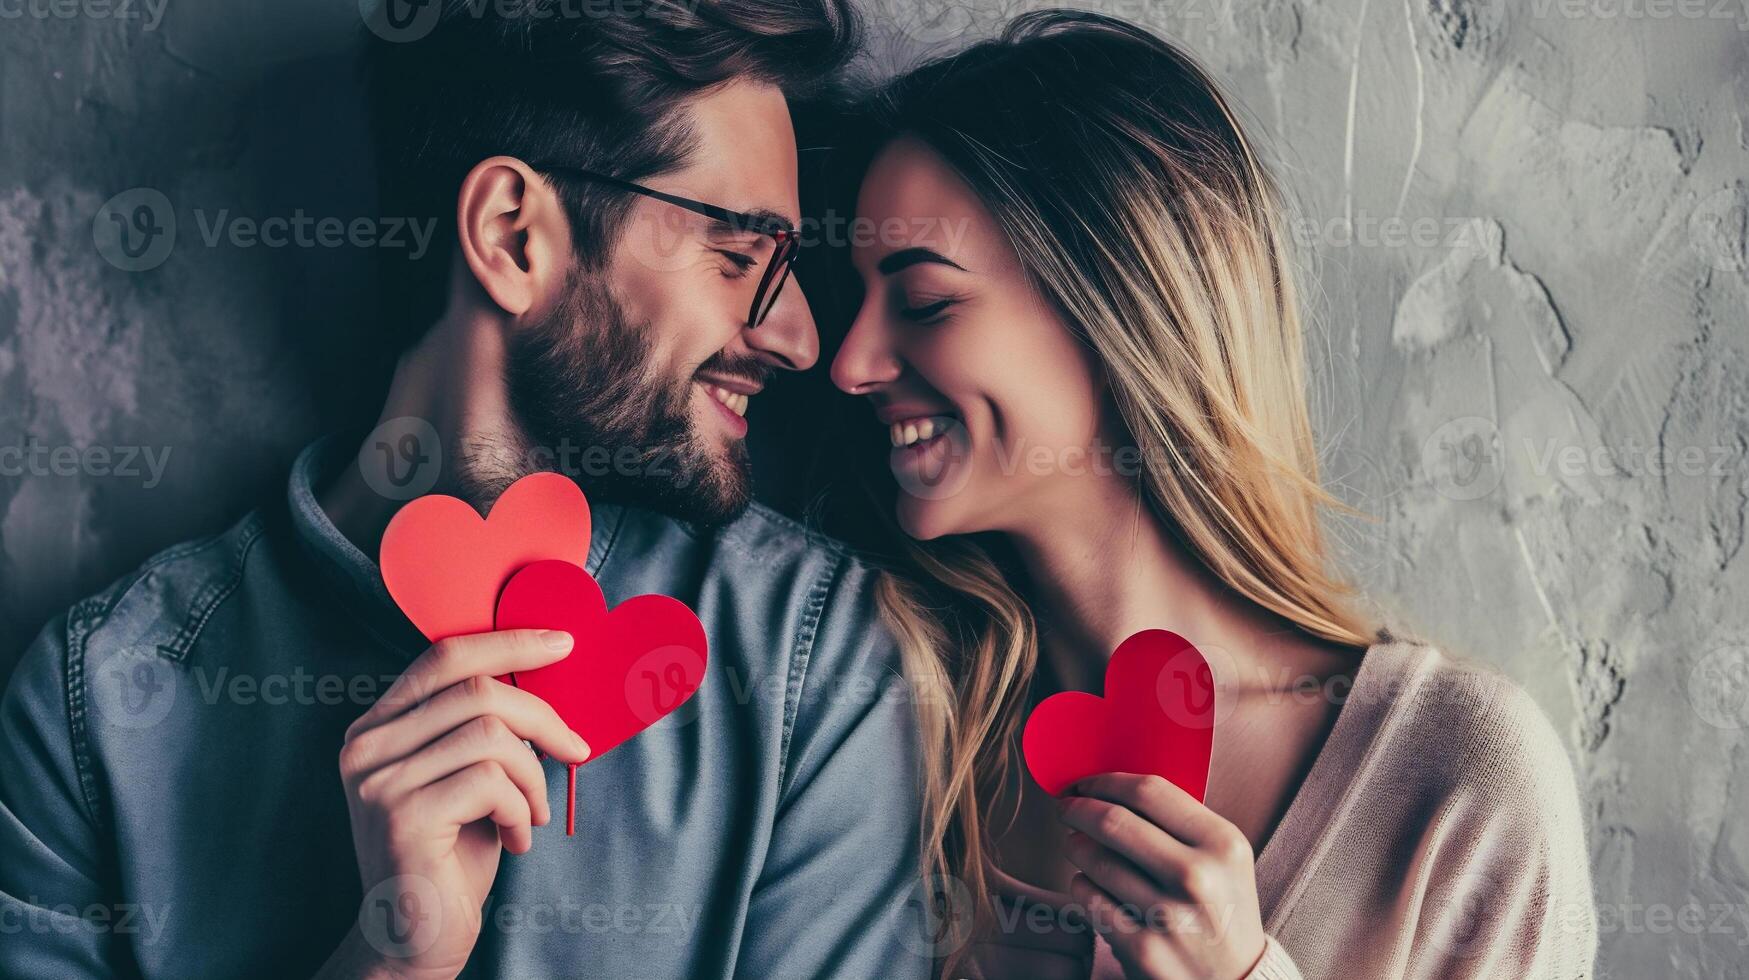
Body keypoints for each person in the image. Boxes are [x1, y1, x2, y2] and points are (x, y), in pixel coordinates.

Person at [0, 2, 928, 978]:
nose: (800, 337)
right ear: (513, 234)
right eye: (742, 257)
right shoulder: (94, 708)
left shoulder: (814, 662)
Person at [825, 11, 1597, 979]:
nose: (849, 364)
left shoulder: (1457, 772)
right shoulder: (882, 727)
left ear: (1118, 306)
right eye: (847, 301)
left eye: (927, 300)